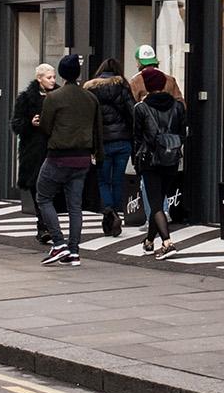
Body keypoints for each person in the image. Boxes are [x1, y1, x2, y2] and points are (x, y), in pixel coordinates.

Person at [36, 53, 99, 265]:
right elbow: (98, 130)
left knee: (43, 197)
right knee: (75, 206)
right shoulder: (90, 98)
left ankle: (58, 243)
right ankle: (74, 251)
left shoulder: (53, 98)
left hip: (58, 156)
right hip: (82, 158)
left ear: (61, 74)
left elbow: (46, 127)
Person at [132, 67, 187, 257]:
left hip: (150, 160)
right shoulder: (178, 106)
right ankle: (149, 241)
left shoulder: (141, 108)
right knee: (160, 197)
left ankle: (167, 242)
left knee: (155, 204)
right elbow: (182, 133)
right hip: (171, 158)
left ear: (147, 86)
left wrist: (136, 162)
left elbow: (137, 138)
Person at [84, 57, 137, 238]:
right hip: (123, 140)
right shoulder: (122, 86)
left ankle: (110, 212)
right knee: (117, 179)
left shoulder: (90, 89)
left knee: (103, 180)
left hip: (101, 142)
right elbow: (132, 112)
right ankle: (114, 213)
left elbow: (88, 118)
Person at [12, 62, 55, 236]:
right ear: (39, 79)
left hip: (54, 146)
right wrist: (30, 123)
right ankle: (42, 223)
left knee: (50, 186)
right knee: (36, 184)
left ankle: (47, 223)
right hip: (34, 148)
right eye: (48, 77)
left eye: (53, 77)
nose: (52, 80)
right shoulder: (26, 99)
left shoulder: (59, 95)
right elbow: (16, 124)